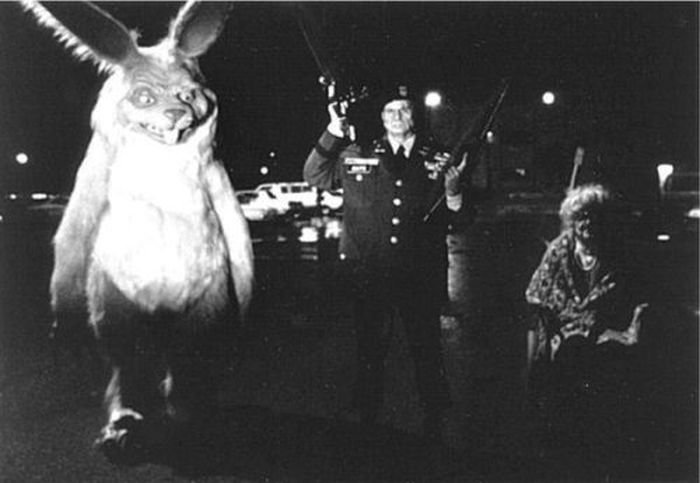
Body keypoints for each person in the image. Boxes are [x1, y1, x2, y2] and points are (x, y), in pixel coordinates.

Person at [303, 85, 466, 439]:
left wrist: (454, 193)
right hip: (370, 273)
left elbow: (461, 219)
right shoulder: (357, 152)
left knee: (426, 347)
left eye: (403, 110)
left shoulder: (440, 158)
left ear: (414, 115)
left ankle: (436, 416)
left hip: (418, 272)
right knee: (370, 348)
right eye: (389, 111)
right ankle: (366, 416)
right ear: (380, 117)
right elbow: (315, 174)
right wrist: (334, 130)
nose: (396, 117)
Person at [524, 183, 649, 473]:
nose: (588, 224)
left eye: (595, 217)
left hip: (605, 340)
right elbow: (535, 298)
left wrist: (632, 332)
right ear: (572, 220)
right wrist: (544, 343)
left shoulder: (618, 253)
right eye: (581, 217)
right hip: (563, 340)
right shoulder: (558, 251)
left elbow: (640, 300)